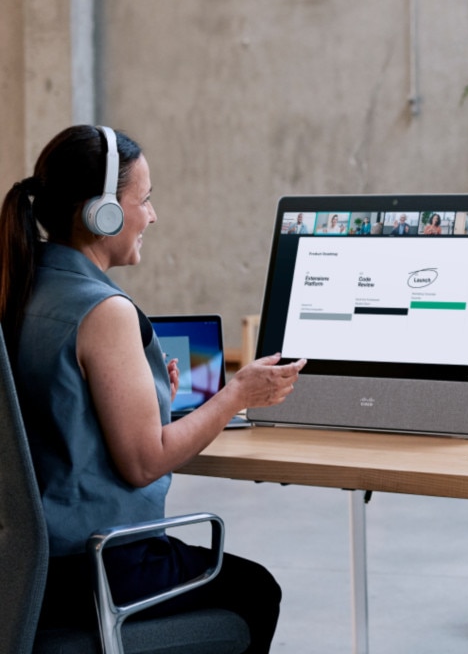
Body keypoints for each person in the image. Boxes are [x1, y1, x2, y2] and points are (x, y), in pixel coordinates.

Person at [0, 125, 306, 649]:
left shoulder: (23, 285)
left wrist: (151, 397)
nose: (152, 215)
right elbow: (143, 462)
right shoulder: (105, 311)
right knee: (254, 591)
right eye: (143, 200)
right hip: (99, 567)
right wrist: (236, 394)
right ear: (103, 214)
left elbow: (57, 416)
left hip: (28, 568)